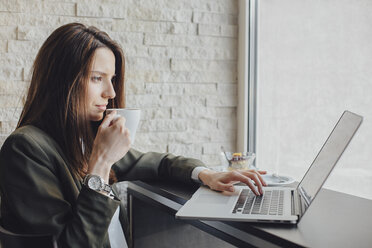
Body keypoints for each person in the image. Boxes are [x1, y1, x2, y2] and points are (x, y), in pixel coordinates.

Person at [0, 23, 266, 248]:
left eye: (112, 79)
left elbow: (158, 162)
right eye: (96, 78)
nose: (111, 93)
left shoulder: (83, 140)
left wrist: (206, 174)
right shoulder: (25, 149)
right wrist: (102, 163)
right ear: (62, 82)